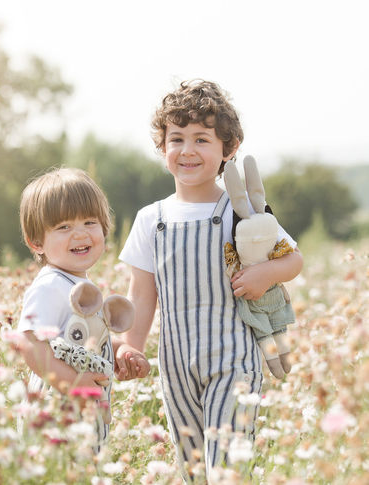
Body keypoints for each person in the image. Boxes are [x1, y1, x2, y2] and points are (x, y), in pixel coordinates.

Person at [117, 80, 303, 479]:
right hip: (175, 364)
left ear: (228, 149)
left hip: (234, 358)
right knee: (194, 470)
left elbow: (293, 259)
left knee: (226, 468)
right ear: (162, 147)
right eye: (176, 138)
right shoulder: (152, 219)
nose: (187, 150)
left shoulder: (244, 211)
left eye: (202, 139)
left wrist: (266, 273)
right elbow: (142, 295)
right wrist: (131, 344)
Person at [17, 167, 150, 445]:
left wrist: (120, 351)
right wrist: (72, 383)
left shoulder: (74, 284)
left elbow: (85, 341)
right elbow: (29, 343)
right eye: (64, 227)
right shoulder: (50, 286)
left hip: (82, 424)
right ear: (37, 242)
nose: (80, 234)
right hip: (54, 421)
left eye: (90, 222)